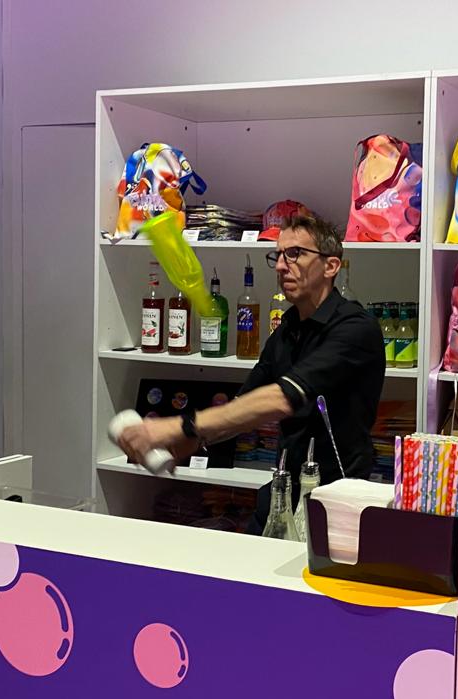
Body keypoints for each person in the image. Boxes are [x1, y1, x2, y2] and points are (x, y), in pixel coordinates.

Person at [116, 214, 385, 532]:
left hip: (335, 501)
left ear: (331, 266)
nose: (281, 266)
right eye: (278, 255)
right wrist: (193, 440)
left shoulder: (355, 328)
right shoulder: (287, 330)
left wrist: (180, 426)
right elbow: (242, 406)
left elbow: (281, 398)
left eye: (295, 254)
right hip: (283, 493)